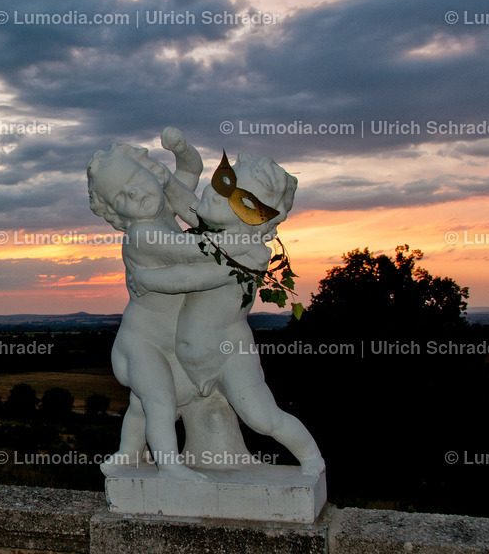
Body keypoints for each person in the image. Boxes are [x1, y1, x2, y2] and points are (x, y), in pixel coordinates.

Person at [131, 153, 325, 475]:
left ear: (249, 219)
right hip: (189, 359)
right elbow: (190, 207)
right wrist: (166, 180)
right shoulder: (219, 237)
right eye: (219, 183)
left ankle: (311, 458)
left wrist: (144, 279)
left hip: (228, 357)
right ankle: (131, 455)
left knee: (262, 417)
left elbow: (188, 279)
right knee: (147, 399)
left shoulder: (248, 257)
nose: (210, 193)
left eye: (224, 197)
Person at [87, 137, 261, 478]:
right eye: (121, 196)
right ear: (115, 211)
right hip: (141, 342)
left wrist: (181, 150)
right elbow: (193, 251)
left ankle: (127, 454)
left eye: (134, 182)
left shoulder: (164, 207)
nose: (133, 195)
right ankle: (170, 465)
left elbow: (189, 171)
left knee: (142, 405)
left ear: (153, 172)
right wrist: (245, 236)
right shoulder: (143, 235)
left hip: (164, 343)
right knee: (160, 401)